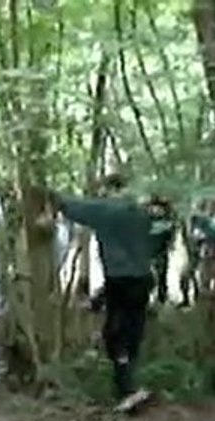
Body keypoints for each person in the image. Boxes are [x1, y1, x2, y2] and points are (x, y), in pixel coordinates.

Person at [48, 174, 162, 408]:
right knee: (132, 330)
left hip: (121, 279)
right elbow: (161, 238)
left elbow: (74, 206)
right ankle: (129, 384)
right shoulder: (144, 211)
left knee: (114, 334)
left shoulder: (108, 210)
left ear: (111, 189)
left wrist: (50, 196)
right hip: (142, 278)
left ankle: (126, 388)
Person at [147, 195, 176, 305]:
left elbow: (171, 239)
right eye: (153, 208)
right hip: (145, 254)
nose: (155, 210)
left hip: (160, 253)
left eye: (158, 208)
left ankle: (161, 297)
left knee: (161, 275)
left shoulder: (168, 223)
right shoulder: (144, 220)